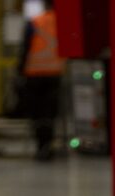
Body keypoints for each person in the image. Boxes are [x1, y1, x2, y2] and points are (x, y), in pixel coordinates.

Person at [19, 3, 66, 160]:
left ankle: (41, 146)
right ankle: (48, 145)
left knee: (37, 114)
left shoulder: (35, 22)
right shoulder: (61, 22)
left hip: (34, 74)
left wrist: (20, 71)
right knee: (49, 113)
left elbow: (25, 48)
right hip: (54, 73)